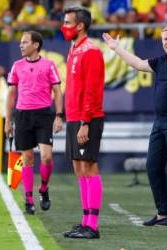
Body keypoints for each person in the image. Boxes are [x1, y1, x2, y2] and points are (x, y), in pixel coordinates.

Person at [103, 23, 167, 226]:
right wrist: (117, 49)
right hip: (160, 121)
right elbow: (137, 64)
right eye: (166, 39)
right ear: (162, 42)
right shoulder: (162, 61)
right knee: (153, 166)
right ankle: (163, 213)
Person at [5, 30, 63, 215]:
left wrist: (59, 115)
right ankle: (29, 199)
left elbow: (58, 91)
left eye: (25, 42)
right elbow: (11, 94)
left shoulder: (49, 65)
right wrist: (8, 121)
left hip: (44, 115)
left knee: (46, 157)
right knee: (27, 159)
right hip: (22, 116)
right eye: (21, 42)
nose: (21, 45)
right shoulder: (16, 66)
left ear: (36, 45)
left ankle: (43, 189)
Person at [61, 6, 105, 239]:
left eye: (68, 22)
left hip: (87, 118)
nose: (64, 26)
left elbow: (92, 90)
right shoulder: (74, 50)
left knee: (89, 167)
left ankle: (93, 225)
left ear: (80, 25)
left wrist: (85, 122)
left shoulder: (91, 51)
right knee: (79, 168)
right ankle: (85, 220)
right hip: (74, 117)